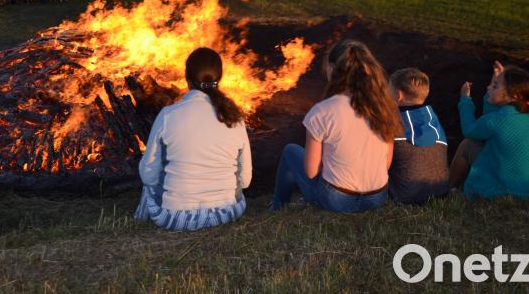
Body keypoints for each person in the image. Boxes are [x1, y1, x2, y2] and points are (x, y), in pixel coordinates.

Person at [271, 39, 402, 212]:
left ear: (332, 69)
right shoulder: (385, 107)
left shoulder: (322, 112)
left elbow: (311, 172)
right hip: (377, 198)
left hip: (337, 200)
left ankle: (278, 206)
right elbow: (385, 164)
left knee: (290, 151)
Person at [134, 47, 251, 231]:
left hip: (174, 218)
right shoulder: (234, 117)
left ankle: (140, 221)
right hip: (227, 213)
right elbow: (245, 181)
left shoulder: (168, 115)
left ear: (187, 79)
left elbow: (148, 176)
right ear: (219, 78)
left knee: (152, 170)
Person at [449, 61, 529, 199]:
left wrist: (465, 100)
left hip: (498, 191)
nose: (488, 87)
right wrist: (497, 78)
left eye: (495, 86)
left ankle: (449, 189)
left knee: (467, 144)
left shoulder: (495, 120)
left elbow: (469, 130)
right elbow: (493, 115)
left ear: (513, 96)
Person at [387, 68, 449, 204]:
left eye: (388, 89)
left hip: (403, 196)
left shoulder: (392, 122)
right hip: (440, 192)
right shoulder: (435, 122)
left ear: (399, 95)